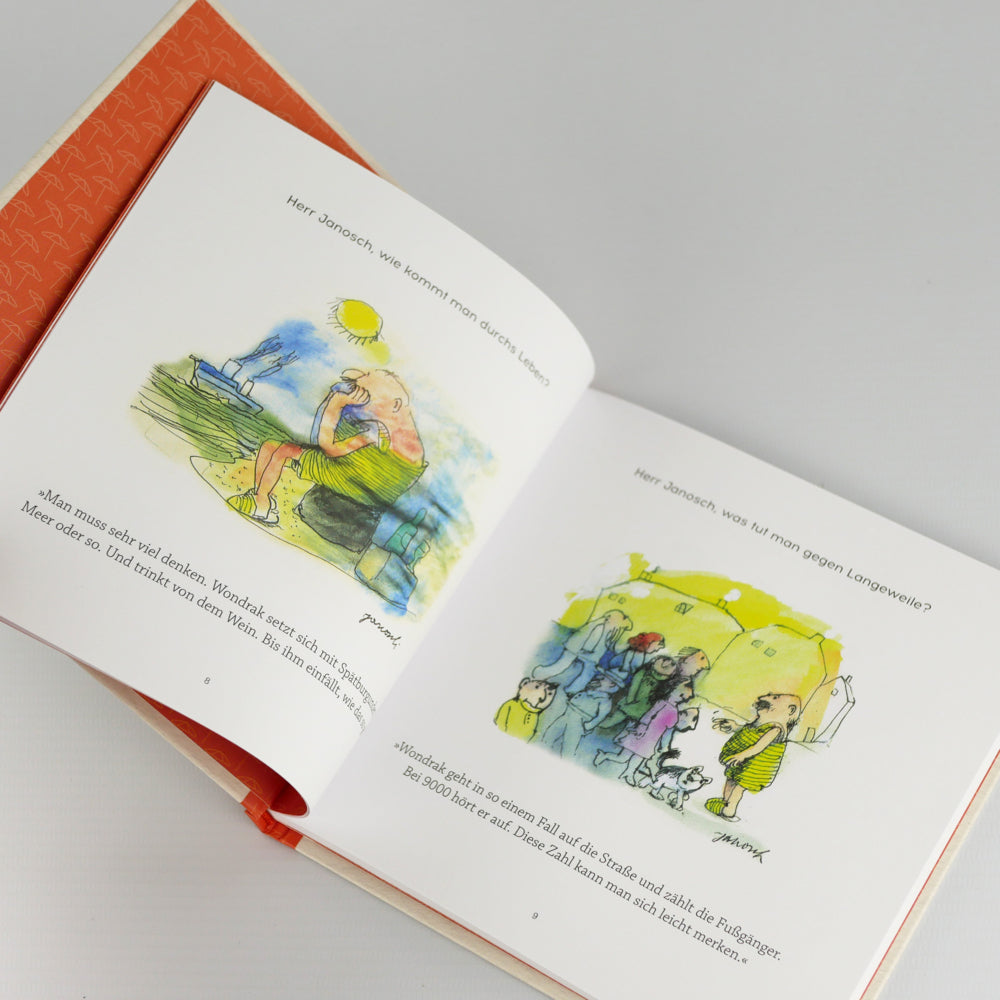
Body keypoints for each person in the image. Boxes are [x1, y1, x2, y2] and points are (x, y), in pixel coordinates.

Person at [228, 368, 425, 524]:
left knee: (284, 451)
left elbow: (328, 447)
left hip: (358, 480)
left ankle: (262, 506)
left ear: (395, 405)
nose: (362, 403)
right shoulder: (393, 426)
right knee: (269, 446)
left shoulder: (382, 433)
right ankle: (261, 497)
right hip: (362, 471)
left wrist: (335, 404)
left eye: (367, 398)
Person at [705, 693, 801, 821]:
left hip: (754, 766)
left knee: (739, 787)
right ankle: (725, 802)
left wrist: (742, 755)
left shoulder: (776, 729)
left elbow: (759, 746)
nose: (765, 698)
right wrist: (734, 726)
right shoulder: (760, 722)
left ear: (791, 710)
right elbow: (748, 729)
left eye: (775, 698)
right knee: (731, 779)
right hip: (744, 760)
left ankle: (729, 810)